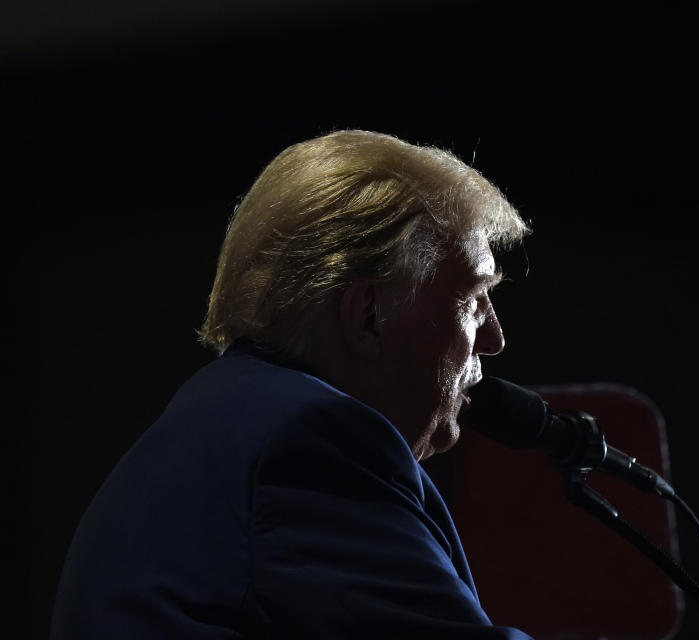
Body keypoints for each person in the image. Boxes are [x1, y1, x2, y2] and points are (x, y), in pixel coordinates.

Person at [50, 130, 535, 639]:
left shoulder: (227, 418)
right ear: (370, 315)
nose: (495, 339)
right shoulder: (310, 444)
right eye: (475, 299)